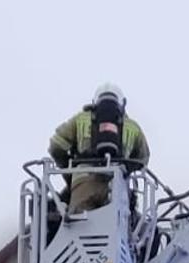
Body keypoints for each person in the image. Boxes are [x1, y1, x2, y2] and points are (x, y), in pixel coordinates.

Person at [48, 83, 150, 215]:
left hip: (83, 183)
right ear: (121, 103)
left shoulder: (80, 119)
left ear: (95, 101)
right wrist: (126, 169)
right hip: (117, 186)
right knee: (118, 224)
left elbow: (56, 146)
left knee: (79, 224)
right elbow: (143, 159)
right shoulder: (132, 127)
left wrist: (69, 171)